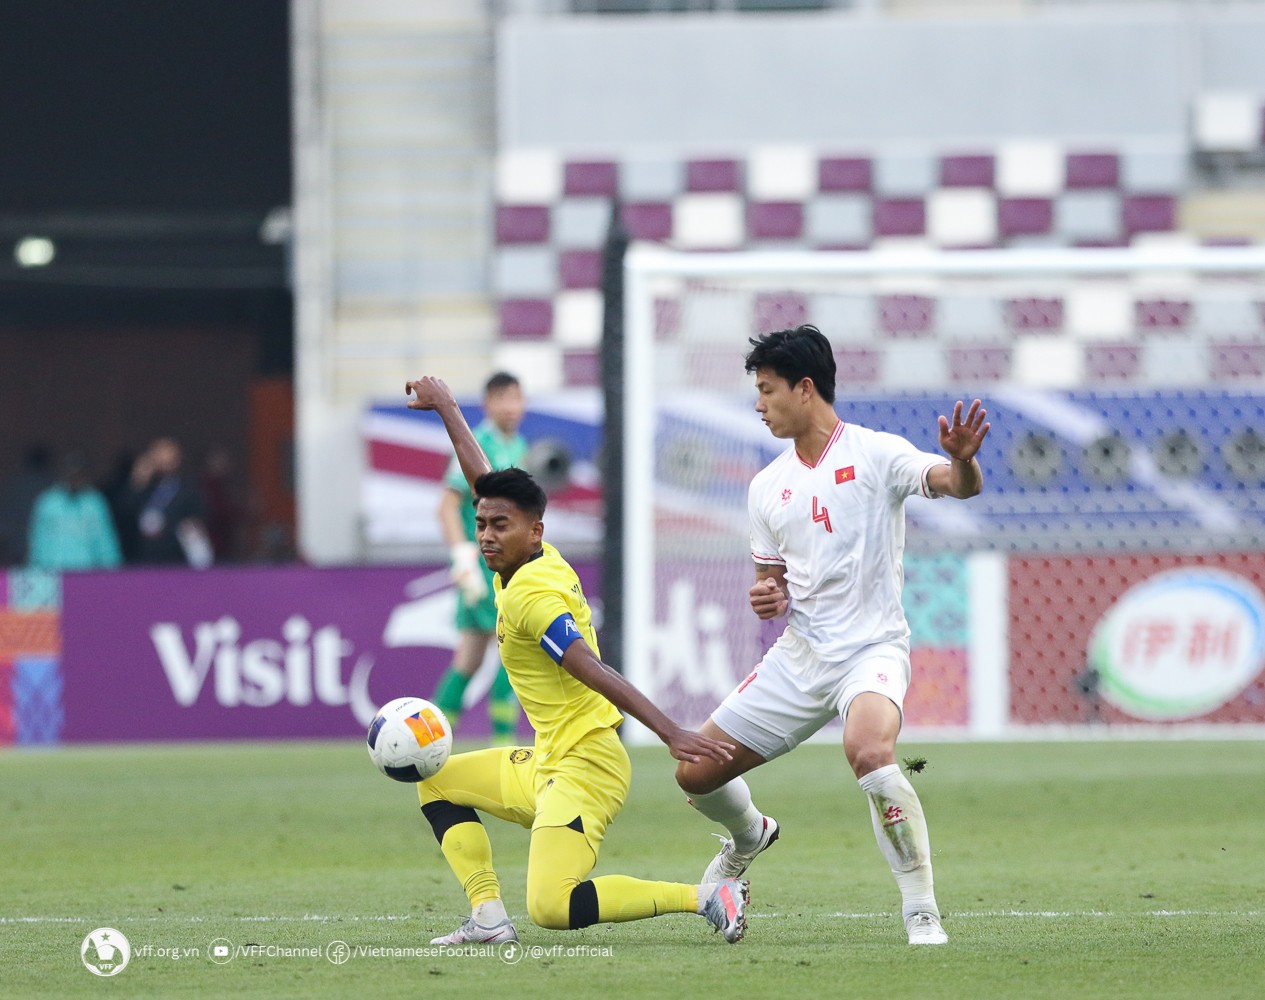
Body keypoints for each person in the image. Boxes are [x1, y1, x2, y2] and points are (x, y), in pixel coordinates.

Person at [405, 374, 751, 946]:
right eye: (481, 524)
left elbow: (590, 665)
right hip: (548, 759)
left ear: (534, 530)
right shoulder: (529, 556)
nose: (486, 536)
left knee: (551, 905)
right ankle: (487, 917)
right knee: (436, 780)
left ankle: (705, 896)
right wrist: (447, 408)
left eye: (499, 526)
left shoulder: (531, 594)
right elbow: (483, 484)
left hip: (585, 767)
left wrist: (670, 732)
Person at [673, 325, 990, 947]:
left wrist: (962, 459)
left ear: (805, 388)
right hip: (800, 656)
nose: (759, 404)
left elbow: (958, 486)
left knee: (868, 751)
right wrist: (767, 596)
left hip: (871, 651)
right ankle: (749, 835)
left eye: (767, 390)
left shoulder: (876, 453)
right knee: (694, 770)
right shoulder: (766, 487)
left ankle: (921, 910)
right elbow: (770, 584)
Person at [431, 372, 528, 744]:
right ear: (487, 404)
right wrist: (462, 558)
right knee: (514, 649)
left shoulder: (517, 445)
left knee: (469, 659)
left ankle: (429, 741)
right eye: (503, 398)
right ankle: (504, 745)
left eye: (516, 398)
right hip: (486, 566)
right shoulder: (478, 444)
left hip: (495, 563)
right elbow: (447, 505)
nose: (511, 407)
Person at [124, 438, 213, 568]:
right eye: (158, 454)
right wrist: (138, 480)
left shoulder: (188, 489)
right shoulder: (143, 486)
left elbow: (197, 519)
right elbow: (125, 512)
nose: (163, 459)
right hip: (142, 556)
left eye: (167, 455)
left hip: (176, 557)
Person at [27, 453, 122, 571]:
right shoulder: (48, 502)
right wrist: (35, 571)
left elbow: (105, 542)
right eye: (71, 473)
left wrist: (114, 572)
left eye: (78, 473)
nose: (75, 478)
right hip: (54, 572)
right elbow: (38, 543)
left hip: (87, 573)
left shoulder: (94, 502)